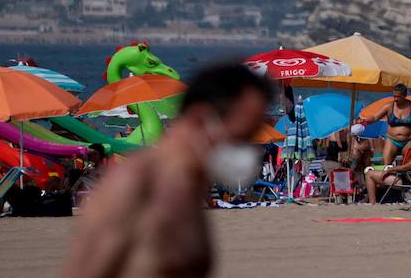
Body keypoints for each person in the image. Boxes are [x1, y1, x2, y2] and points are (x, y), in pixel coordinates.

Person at [62, 63, 272, 278]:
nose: (247, 150)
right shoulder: (136, 184)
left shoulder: (189, 186)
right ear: (202, 118)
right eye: (241, 137)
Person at [379, 83, 411, 167]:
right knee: (386, 165)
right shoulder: (389, 106)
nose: (396, 99)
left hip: (409, 140)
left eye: (398, 97)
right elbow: (375, 117)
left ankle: (405, 179)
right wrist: (365, 121)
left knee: (408, 165)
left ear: (404, 96)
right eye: (394, 96)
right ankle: (389, 179)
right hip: (392, 140)